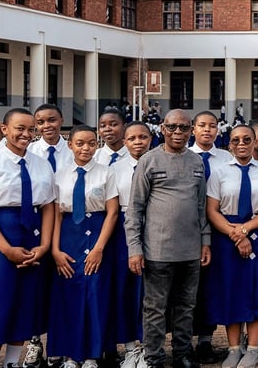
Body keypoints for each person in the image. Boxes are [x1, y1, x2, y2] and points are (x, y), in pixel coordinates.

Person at [127, 109, 213, 368]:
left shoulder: (196, 162)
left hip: (190, 249)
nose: (178, 132)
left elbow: (201, 206)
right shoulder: (149, 161)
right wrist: (134, 248)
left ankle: (182, 354)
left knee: (186, 306)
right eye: (172, 127)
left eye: (184, 128)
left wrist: (205, 241)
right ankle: (154, 357)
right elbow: (135, 209)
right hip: (157, 250)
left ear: (191, 131)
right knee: (155, 308)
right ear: (162, 129)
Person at [0, 108, 55, 368]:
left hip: (33, 236)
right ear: (5, 129)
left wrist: (44, 245)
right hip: (0, 236)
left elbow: (49, 206)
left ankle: (11, 362)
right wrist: (6, 249)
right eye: (20, 128)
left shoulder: (41, 163)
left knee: (26, 300)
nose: (26, 134)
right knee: (0, 299)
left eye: (31, 129)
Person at [206, 126, 258, 368]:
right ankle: (233, 348)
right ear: (229, 143)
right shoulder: (219, 172)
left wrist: (246, 230)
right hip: (227, 234)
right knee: (232, 290)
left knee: (257, 290)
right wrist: (236, 235)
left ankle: (252, 348)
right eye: (236, 140)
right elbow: (212, 210)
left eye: (247, 139)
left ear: (253, 142)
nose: (241, 144)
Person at [48, 125, 120, 368]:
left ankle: (92, 355)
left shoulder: (106, 172)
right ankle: (71, 355)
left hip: (98, 233)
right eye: (80, 143)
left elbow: (112, 212)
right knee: (69, 294)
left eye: (91, 143)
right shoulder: (60, 174)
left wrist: (99, 248)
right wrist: (55, 250)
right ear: (70, 145)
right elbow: (57, 215)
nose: (86, 148)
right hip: (69, 236)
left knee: (95, 294)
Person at [107, 122, 154, 366]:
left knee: (151, 291)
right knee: (126, 290)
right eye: (132, 138)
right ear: (124, 142)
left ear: (151, 139)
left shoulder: (159, 163)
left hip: (155, 227)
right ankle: (130, 348)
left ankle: (149, 347)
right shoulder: (114, 169)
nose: (138, 142)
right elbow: (113, 207)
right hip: (124, 230)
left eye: (143, 137)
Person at [187, 111, 231, 364]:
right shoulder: (184, 155)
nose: (207, 130)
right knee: (187, 287)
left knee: (210, 286)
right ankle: (184, 341)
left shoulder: (226, 158)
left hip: (218, 227)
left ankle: (206, 339)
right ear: (193, 129)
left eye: (212, 126)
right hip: (187, 228)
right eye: (202, 125)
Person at [29, 104, 69, 174]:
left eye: (52, 120)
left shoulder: (74, 150)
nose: (46, 126)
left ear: (61, 121)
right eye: (40, 123)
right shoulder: (29, 150)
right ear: (36, 125)